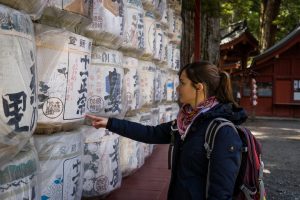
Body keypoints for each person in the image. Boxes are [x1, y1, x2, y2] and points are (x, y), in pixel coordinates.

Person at [86, 61, 248, 200]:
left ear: (198, 87)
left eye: (182, 83)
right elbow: (151, 133)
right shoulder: (187, 122)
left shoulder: (221, 131)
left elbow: (221, 192)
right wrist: (109, 123)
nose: (178, 88)